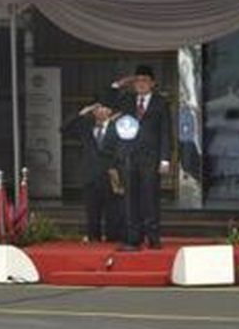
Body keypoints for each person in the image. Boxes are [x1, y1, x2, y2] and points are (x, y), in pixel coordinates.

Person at [111, 66, 171, 250]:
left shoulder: (160, 102)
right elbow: (106, 100)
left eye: (145, 80)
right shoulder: (127, 100)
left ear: (152, 83)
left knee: (150, 197)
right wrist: (119, 84)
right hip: (129, 156)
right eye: (137, 80)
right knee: (130, 198)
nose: (141, 84)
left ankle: (153, 236)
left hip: (151, 158)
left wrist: (165, 159)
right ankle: (133, 238)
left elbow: (165, 132)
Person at [61, 91, 123, 243]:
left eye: (104, 108)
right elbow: (63, 129)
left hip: (111, 176)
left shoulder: (118, 127)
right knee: (92, 215)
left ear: (110, 110)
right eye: (97, 108)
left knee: (113, 215)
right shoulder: (85, 126)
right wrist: (82, 113)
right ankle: (93, 242)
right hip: (90, 176)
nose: (100, 111)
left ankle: (112, 242)